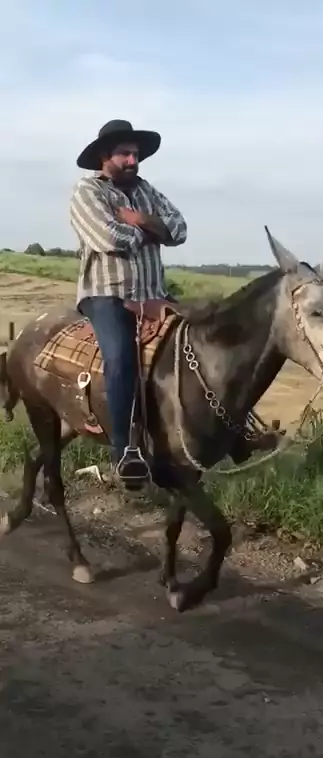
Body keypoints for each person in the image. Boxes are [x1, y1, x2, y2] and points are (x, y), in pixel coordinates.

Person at [70, 119, 187, 490]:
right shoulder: (87, 191)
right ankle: (124, 451)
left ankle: (229, 434)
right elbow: (108, 238)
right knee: (120, 358)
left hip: (154, 293)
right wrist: (153, 231)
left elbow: (180, 230)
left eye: (136, 154)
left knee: (205, 339)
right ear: (105, 156)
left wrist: (139, 219)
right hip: (107, 293)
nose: (133, 160)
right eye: (125, 153)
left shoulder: (146, 190)